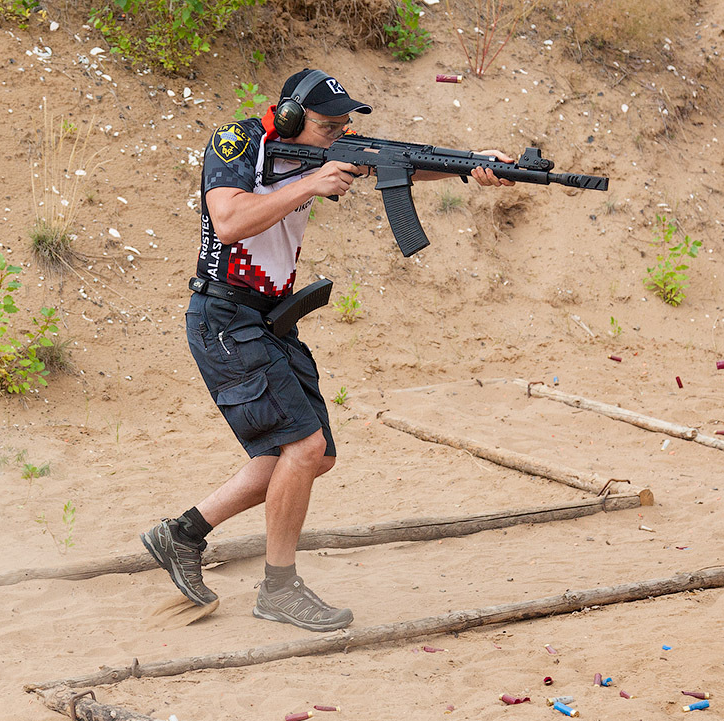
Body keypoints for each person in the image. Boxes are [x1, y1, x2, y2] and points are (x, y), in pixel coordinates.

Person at [141, 69, 514, 632]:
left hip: (270, 320)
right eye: (327, 127)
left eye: (344, 127)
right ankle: (279, 588)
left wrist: (471, 165)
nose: (336, 138)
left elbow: (399, 164)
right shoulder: (238, 143)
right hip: (224, 317)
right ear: (290, 118)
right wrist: (311, 184)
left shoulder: (319, 153)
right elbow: (229, 220)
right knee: (304, 446)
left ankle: (183, 533)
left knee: (316, 456)